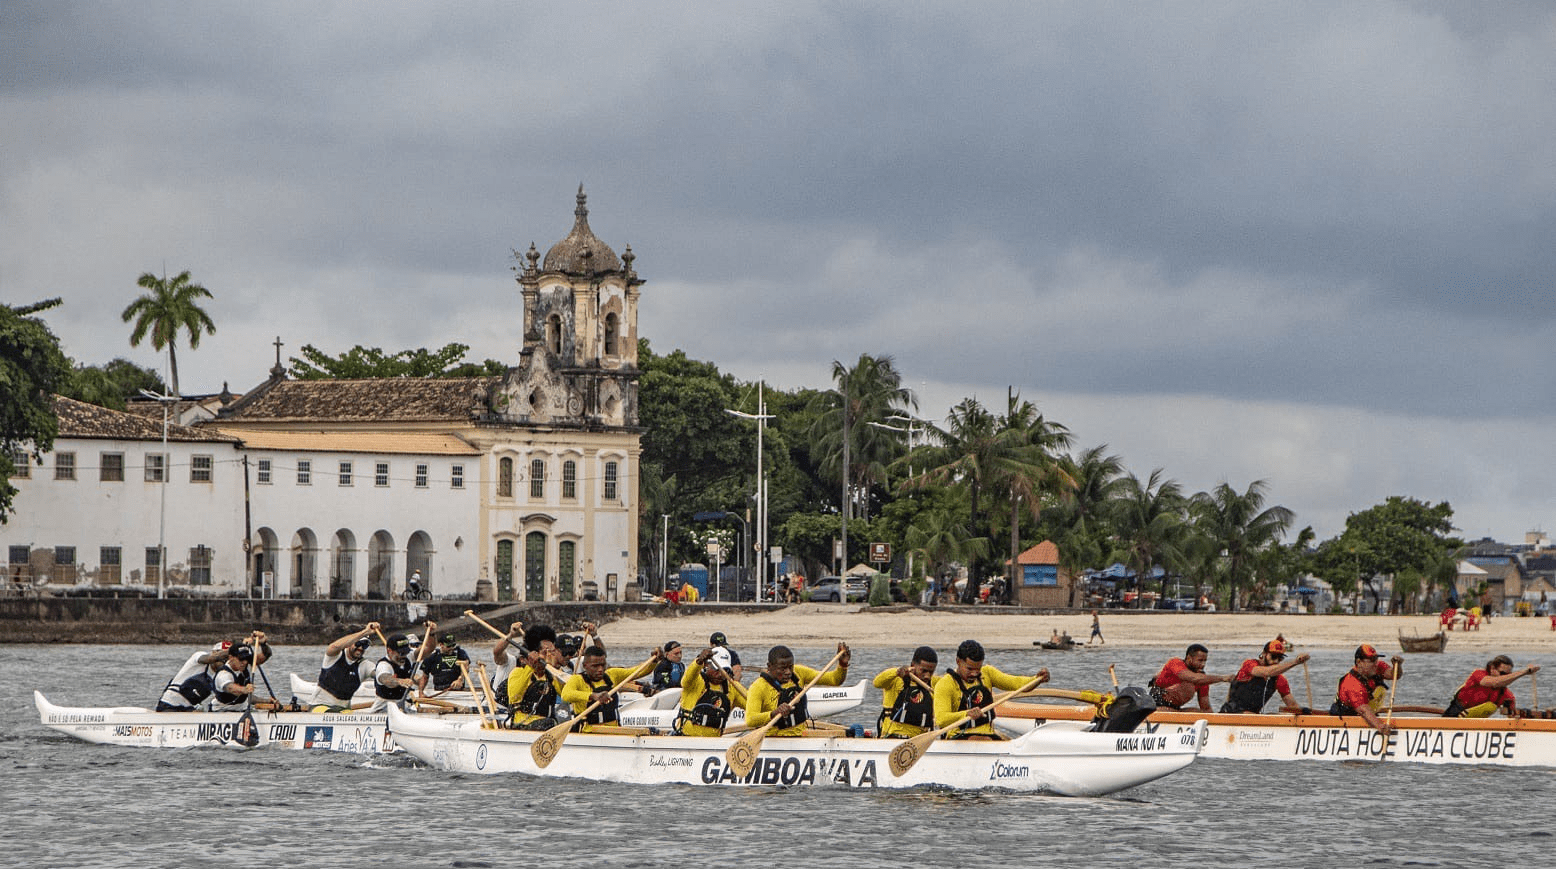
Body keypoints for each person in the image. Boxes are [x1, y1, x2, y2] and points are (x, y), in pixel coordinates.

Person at [932, 639, 1047, 739]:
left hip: (988, 736)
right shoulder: (945, 684)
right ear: (958, 661)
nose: (974, 673)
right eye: (969, 669)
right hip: (957, 737)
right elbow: (941, 719)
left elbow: (1017, 684)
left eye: (978, 669)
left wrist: (1037, 679)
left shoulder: (987, 673)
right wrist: (967, 714)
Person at [745, 643, 852, 737]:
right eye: (782, 668)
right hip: (773, 738)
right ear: (769, 666)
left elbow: (834, 680)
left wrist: (842, 665)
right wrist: (774, 713)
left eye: (790, 667)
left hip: (801, 736)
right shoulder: (758, 687)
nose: (788, 672)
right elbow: (751, 719)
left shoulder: (799, 672)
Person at [561, 644, 661, 732]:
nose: (600, 669)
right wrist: (593, 696)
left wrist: (653, 661)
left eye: (603, 665)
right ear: (585, 666)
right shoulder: (577, 679)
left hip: (614, 729)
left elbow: (637, 671)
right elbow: (565, 695)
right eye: (595, 666)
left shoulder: (612, 674)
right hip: (589, 731)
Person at [1221, 639, 1312, 714]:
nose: (1276, 661)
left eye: (1280, 658)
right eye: (1273, 657)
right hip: (1231, 713)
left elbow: (1292, 706)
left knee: (1274, 715)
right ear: (1264, 654)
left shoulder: (1279, 680)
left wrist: (1304, 713)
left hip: (1253, 717)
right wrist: (1295, 662)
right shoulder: (1248, 665)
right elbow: (1267, 672)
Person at [1329, 644, 1403, 735]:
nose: (1376, 663)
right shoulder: (1351, 683)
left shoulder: (1378, 667)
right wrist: (1380, 726)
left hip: (1368, 714)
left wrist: (1397, 666)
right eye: (1372, 660)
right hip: (1347, 719)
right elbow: (1364, 711)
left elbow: (1394, 675)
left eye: (1376, 659)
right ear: (1359, 662)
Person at [506, 625, 569, 728]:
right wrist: (531, 666)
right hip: (523, 723)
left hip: (548, 722)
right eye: (545, 652)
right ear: (535, 653)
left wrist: (555, 669)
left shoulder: (552, 675)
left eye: (552, 652)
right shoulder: (518, 672)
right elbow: (514, 698)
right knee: (548, 723)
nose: (550, 656)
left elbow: (565, 693)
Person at [676, 647, 745, 736]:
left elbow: (752, 704)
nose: (720, 674)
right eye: (717, 670)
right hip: (686, 736)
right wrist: (699, 661)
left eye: (724, 670)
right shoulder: (695, 681)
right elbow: (686, 679)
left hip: (714, 742)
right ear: (707, 665)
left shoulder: (732, 687)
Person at [1444, 655, 1540, 718]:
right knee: (1491, 706)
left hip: (1475, 723)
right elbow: (1494, 682)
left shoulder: (1506, 695)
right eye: (1502, 673)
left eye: (1507, 675)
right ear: (1492, 668)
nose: (1505, 677)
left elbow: (1511, 717)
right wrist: (1524, 672)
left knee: (1491, 707)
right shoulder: (1478, 674)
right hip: (1454, 714)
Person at [874, 646, 939, 738]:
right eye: (923, 671)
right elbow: (877, 683)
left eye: (931, 672)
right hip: (893, 736)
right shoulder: (897, 679)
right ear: (913, 665)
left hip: (920, 739)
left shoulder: (934, 682)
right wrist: (896, 672)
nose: (927, 676)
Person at [311, 623, 381, 709]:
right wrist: (365, 632)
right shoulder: (334, 656)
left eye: (364, 645)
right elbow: (334, 646)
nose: (361, 648)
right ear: (349, 643)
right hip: (319, 706)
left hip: (342, 710)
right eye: (358, 644)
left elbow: (380, 674)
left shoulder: (365, 665)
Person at [156, 639, 234, 711]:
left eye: (228, 658)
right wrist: (236, 650)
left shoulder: (223, 676)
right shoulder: (199, 657)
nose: (224, 660)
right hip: (169, 704)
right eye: (224, 656)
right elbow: (209, 659)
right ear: (213, 653)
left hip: (188, 708)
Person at [1149, 644, 1231, 711]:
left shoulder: (1202, 678)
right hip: (1156, 705)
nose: (1203, 664)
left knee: (1199, 713)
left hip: (1175, 709)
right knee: (1189, 686)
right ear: (1189, 658)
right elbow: (1193, 678)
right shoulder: (1175, 663)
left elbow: (1206, 708)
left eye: (1205, 661)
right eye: (1200, 660)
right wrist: (1223, 678)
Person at [371, 633, 420, 711]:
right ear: (390, 651)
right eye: (401, 653)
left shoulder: (408, 657)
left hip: (403, 702)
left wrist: (431, 634)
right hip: (384, 705)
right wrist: (400, 681)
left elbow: (427, 649)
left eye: (405, 652)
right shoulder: (383, 665)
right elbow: (386, 680)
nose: (404, 656)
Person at [417, 626, 470, 693]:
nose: (451, 648)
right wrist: (421, 692)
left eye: (453, 645)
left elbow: (466, 665)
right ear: (441, 645)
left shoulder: (460, 653)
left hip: (458, 690)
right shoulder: (432, 657)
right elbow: (424, 677)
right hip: (439, 690)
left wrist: (460, 679)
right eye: (448, 646)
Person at [210, 643, 257, 711]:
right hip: (221, 711)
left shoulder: (245, 667)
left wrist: (263, 643)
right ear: (231, 658)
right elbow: (230, 688)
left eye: (247, 659)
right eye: (241, 659)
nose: (244, 662)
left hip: (242, 709)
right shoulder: (223, 674)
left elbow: (263, 657)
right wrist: (244, 689)